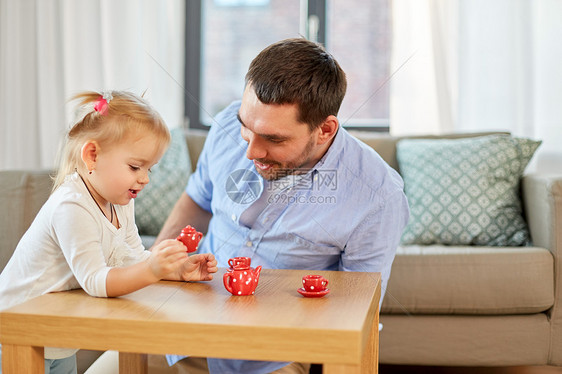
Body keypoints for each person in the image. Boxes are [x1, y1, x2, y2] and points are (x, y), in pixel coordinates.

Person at [154, 37, 410, 374]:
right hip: (183, 330)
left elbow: (358, 312)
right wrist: (152, 276)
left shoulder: (377, 195)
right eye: (247, 128)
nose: (251, 152)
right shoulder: (227, 124)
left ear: (325, 130)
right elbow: (197, 201)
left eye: (274, 139)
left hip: (274, 354)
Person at [0, 90, 218, 374]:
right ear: (92, 155)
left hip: (56, 336)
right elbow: (94, 279)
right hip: (17, 334)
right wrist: (151, 270)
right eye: (135, 166)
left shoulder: (119, 201)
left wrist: (175, 270)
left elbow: (132, 256)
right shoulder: (72, 206)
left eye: (150, 168)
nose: (145, 178)